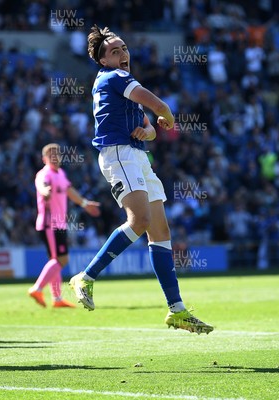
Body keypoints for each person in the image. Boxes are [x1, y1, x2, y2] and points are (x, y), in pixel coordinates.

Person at [68, 25, 214, 334]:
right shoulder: (117, 78)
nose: (123, 54)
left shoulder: (117, 84)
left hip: (136, 155)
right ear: (103, 60)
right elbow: (160, 108)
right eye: (114, 51)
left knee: (160, 230)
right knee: (140, 219)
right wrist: (169, 118)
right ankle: (86, 276)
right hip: (119, 154)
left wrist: (148, 131)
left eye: (124, 48)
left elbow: (148, 127)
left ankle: (177, 310)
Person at [28, 143, 101, 308]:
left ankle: (57, 299)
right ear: (44, 159)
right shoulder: (44, 174)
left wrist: (84, 203)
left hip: (58, 224)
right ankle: (37, 288)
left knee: (55, 261)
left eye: (57, 154)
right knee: (62, 259)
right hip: (49, 224)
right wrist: (45, 191)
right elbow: (41, 185)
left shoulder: (60, 173)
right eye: (51, 154)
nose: (55, 157)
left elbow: (69, 191)